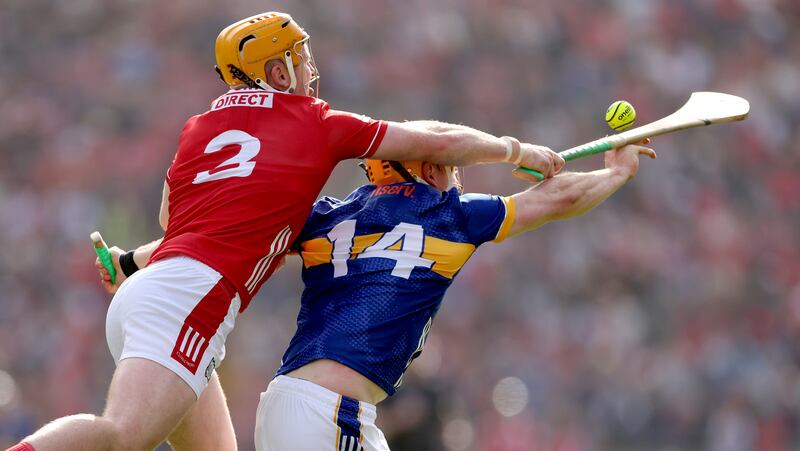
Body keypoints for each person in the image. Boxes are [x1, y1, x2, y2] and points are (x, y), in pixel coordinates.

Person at [8, 11, 563, 451]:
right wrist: (514, 150)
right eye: (299, 59)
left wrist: (132, 262)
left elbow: (177, 222)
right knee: (123, 435)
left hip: (152, 292)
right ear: (277, 72)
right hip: (190, 299)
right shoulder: (315, 123)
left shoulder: (199, 126)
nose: (309, 70)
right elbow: (436, 143)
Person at [255, 141, 656, 450]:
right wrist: (617, 172)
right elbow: (559, 198)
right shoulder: (448, 215)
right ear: (429, 170)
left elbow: (257, 230)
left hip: (285, 401)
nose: (456, 177)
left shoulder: (331, 214)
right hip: (330, 413)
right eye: (449, 166)